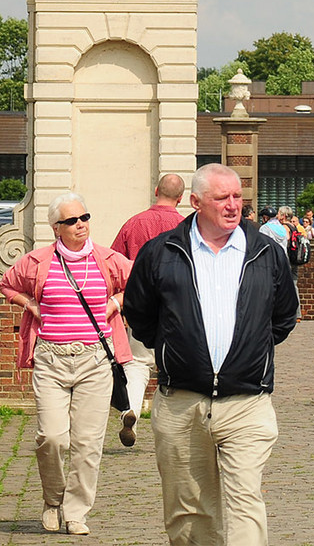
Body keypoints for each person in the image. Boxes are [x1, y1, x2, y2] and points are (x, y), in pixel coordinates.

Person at [122, 163, 298, 546]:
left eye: (237, 197)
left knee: (245, 501)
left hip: (247, 402)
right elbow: (139, 315)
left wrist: (250, 349)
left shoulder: (266, 252)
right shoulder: (160, 252)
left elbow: (284, 317)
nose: (233, 205)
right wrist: (178, 349)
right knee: (189, 512)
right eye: (222, 198)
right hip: (182, 402)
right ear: (195, 202)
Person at [0, 192, 134, 536]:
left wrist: (115, 303)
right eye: (72, 221)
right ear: (56, 228)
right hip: (51, 357)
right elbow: (6, 284)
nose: (80, 225)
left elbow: (139, 284)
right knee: (52, 437)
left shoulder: (107, 259)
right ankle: (52, 500)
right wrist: (29, 303)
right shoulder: (37, 261)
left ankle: (76, 512)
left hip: (95, 359)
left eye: (84, 218)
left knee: (88, 443)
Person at [108, 172, 187, 448]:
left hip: (141, 309)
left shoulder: (134, 223)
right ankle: (177, 430)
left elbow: (113, 265)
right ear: (181, 198)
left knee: (137, 365)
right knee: (178, 371)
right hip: (180, 312)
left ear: (156, 191)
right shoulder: (188, 227)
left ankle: (130, 409)